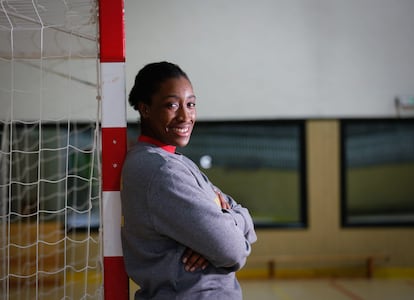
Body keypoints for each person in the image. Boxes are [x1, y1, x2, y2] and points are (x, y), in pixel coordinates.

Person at [120, 61, 257, 299]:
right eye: (171, 105)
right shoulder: (161, 170)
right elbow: (232, 251)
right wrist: (225, 235)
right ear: (145, 108)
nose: (185, 115)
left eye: (190, 104)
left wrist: (226, 225)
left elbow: (239, 215)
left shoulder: (174, 161)